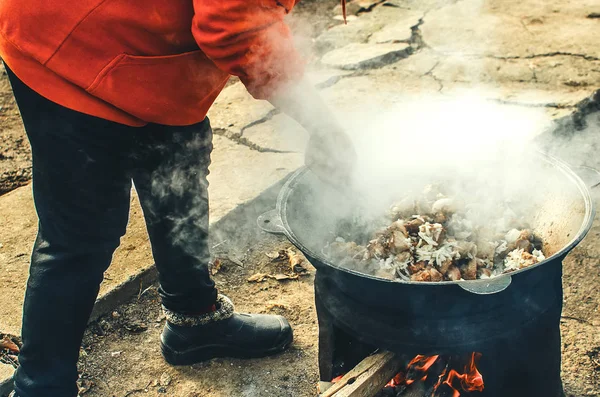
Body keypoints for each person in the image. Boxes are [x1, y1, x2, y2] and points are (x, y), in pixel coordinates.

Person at [0, 1, 354, 396]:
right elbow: (232, 23)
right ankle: (39, 385)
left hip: (148, 40)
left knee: (179, 171)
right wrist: (322, 125)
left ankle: (195, 321)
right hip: (68, 43)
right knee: (81, 235)